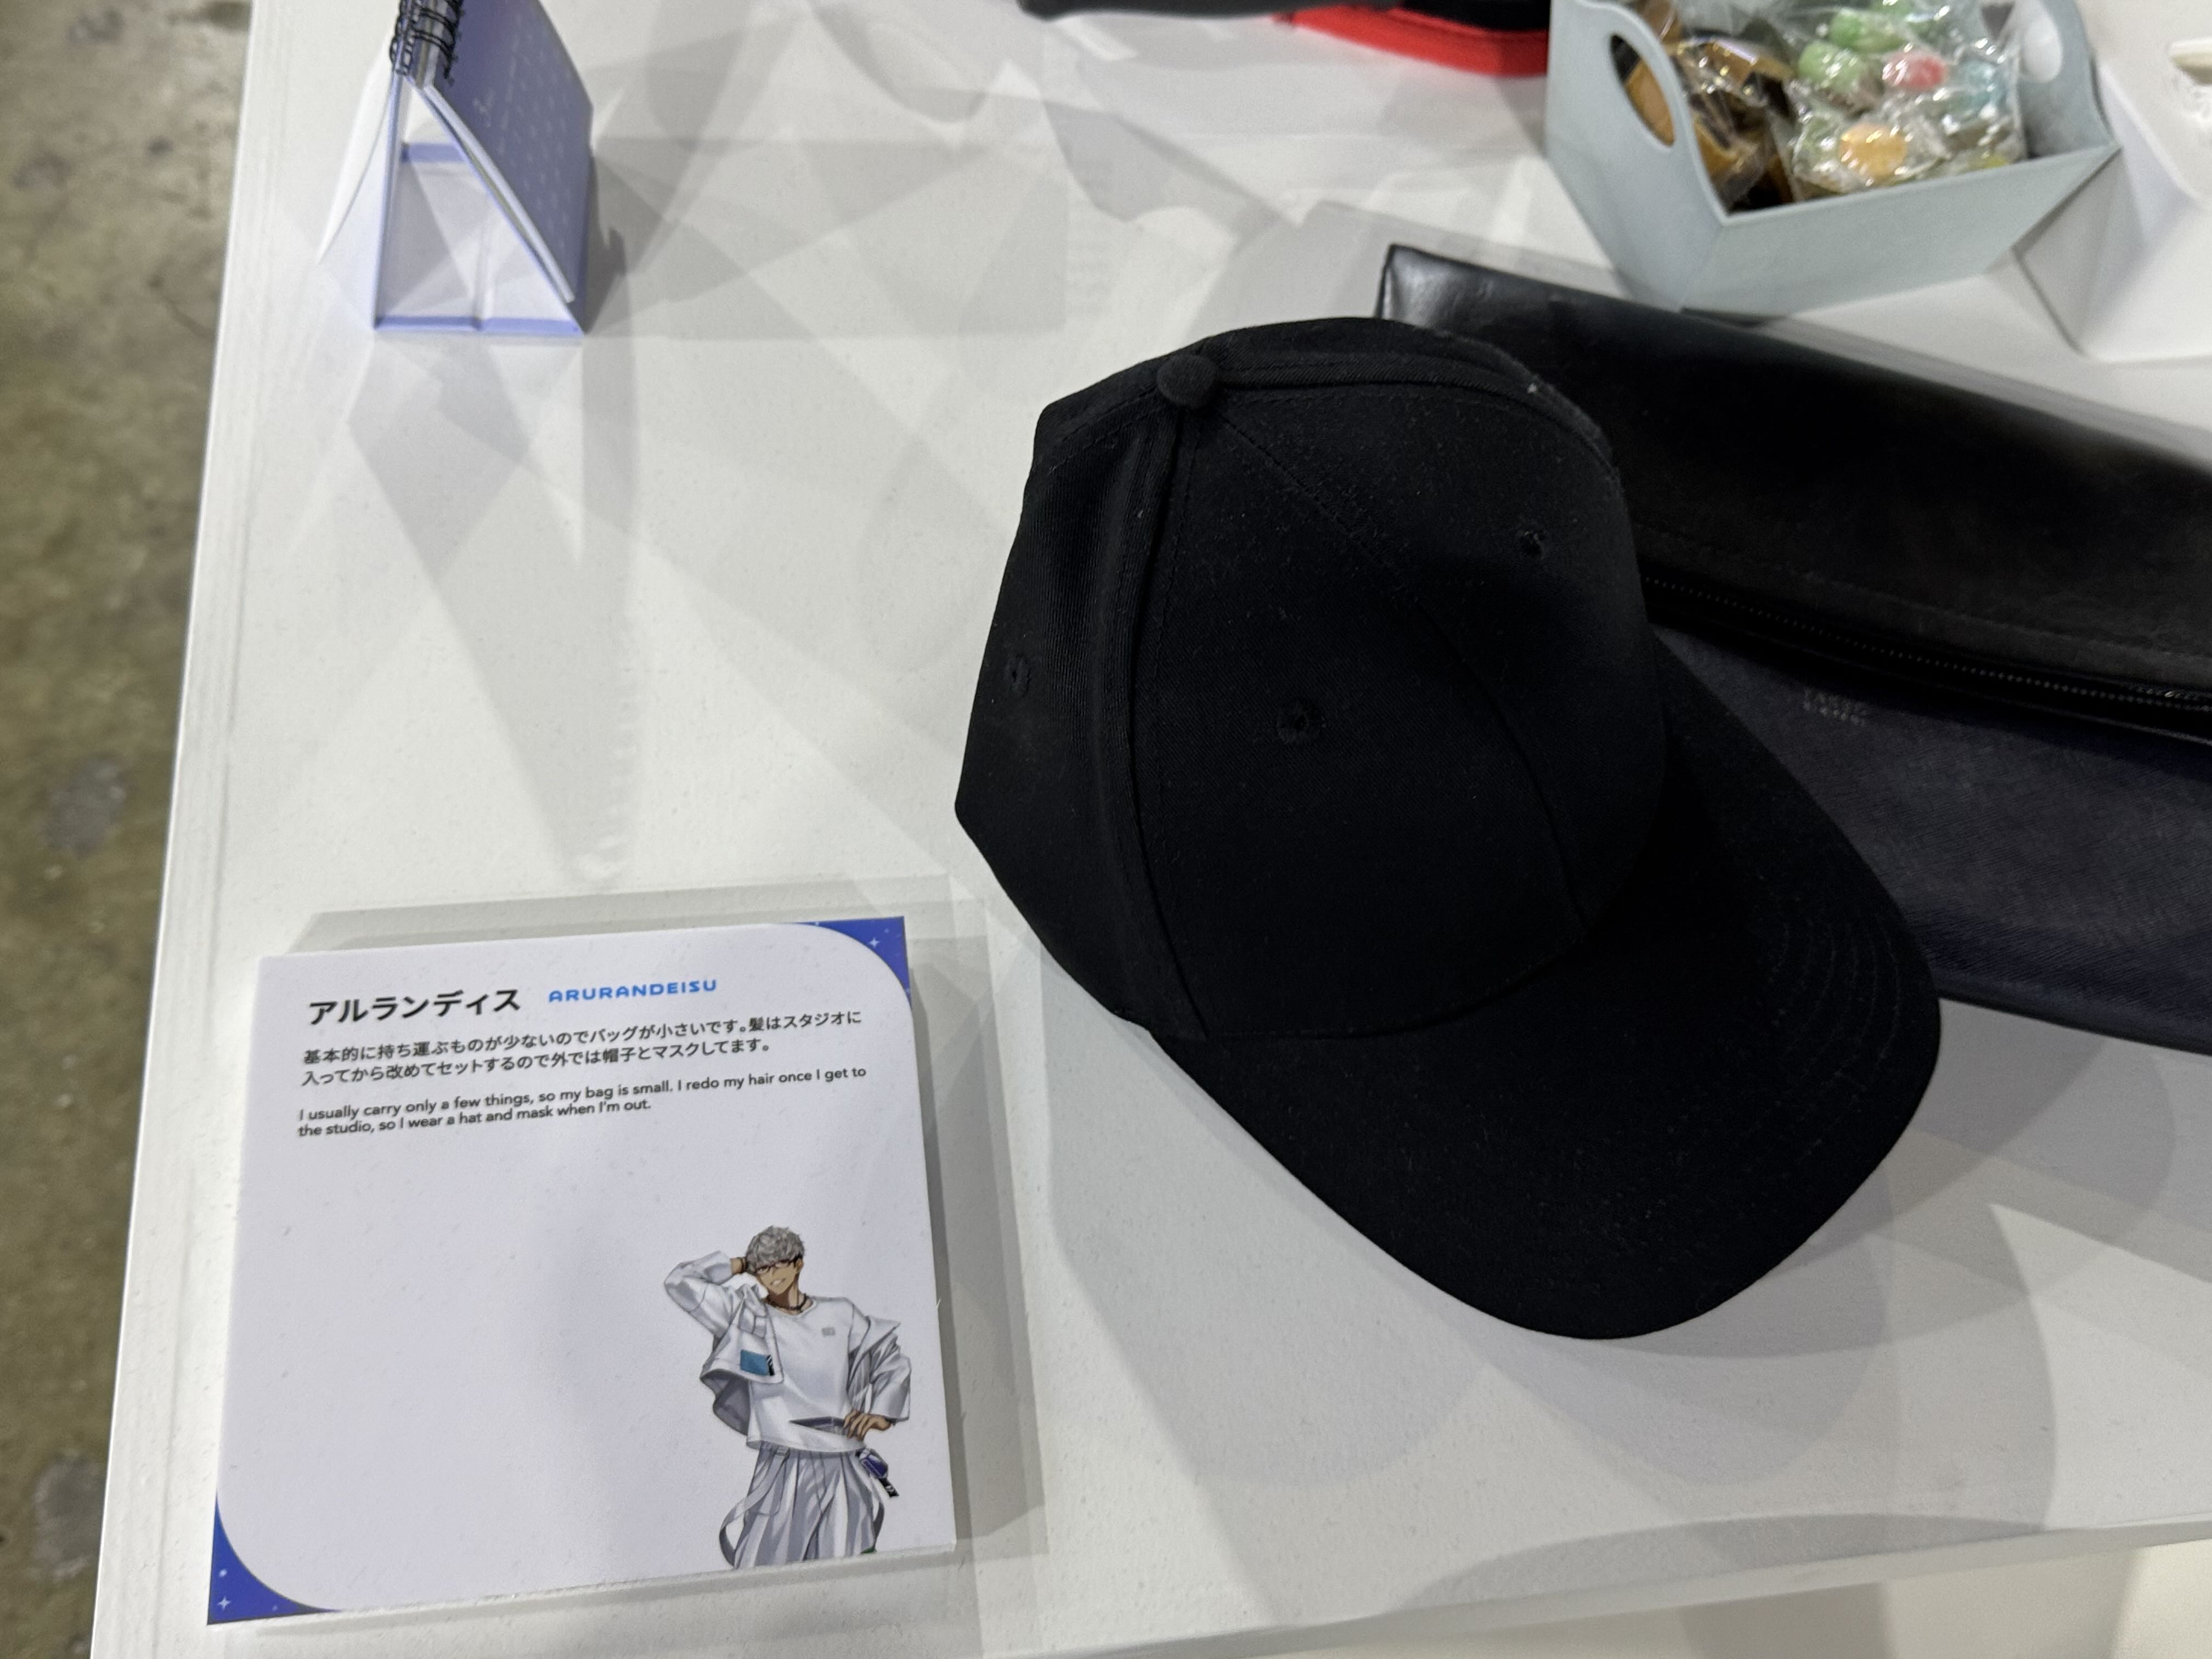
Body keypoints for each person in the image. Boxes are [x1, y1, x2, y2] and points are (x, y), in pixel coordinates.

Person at [664, 1226, 911, 1566]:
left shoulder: (840, 1314)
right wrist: (740, 1264)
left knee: (847, 1569)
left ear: (798, 1264)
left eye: (779, 1264)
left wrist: (883, 1412)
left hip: (843, 1462)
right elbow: (680, 1282)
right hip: (782, 1462)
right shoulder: (744, 1315)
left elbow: (889, 1355)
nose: (772, 1274)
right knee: (765, 1569)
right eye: (763, 1268)